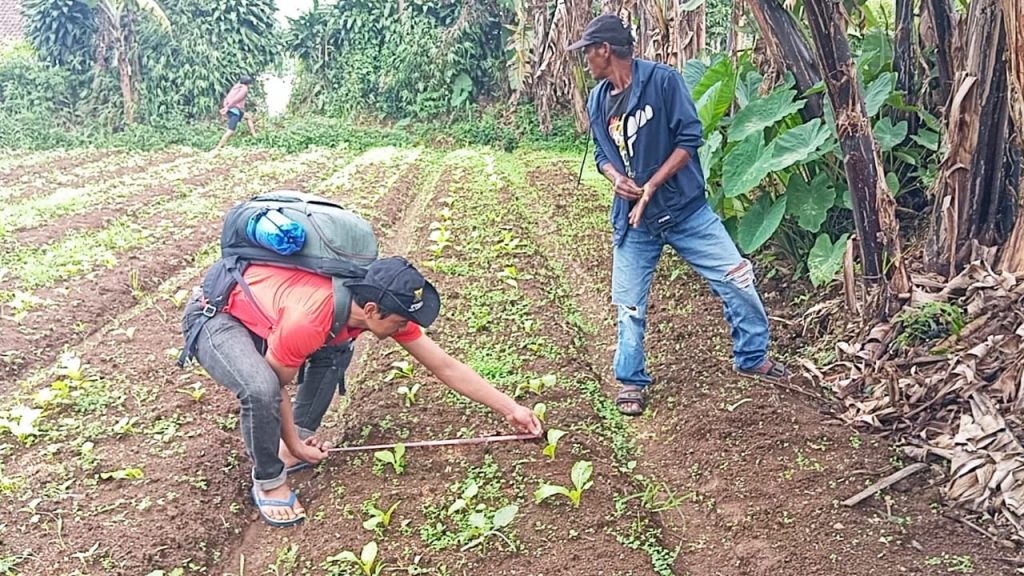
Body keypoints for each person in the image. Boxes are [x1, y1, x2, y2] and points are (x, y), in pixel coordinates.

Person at [181, 256, 543, 527]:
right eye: (401, 321)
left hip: (270, 317)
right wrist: (292, 447)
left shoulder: (378, 309)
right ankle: (269, 480)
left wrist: (510, 408)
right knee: (259, 387)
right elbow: (276, 389)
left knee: (336, 349)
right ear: (371, 310)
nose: (405, 327)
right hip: (217, 316)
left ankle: (295, 443)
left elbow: (443, 365)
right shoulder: (309, 320)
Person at [567, 14, 789, 417]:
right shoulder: (599, 100)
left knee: (737, 277)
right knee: (630, 305)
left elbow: (690, 137)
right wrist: (616, 176)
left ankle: (752, 356)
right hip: (635, 219)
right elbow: (602, 154)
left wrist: (653, 184)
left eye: (587, 52)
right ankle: (631, 380)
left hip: (685, 209)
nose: (585, 61)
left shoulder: (663, 82)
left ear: (605, 50)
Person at [215, 75, 257, 149]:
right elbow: (236, 99)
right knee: (231, 131)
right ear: (248, 83)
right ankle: (218, 148)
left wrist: (225, 106)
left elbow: (227, 98)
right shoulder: (244, 89)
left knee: (248, 117)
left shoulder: (236, 87)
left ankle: (255, 136)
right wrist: (227, 108)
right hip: (234, 111)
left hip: (233, 109)